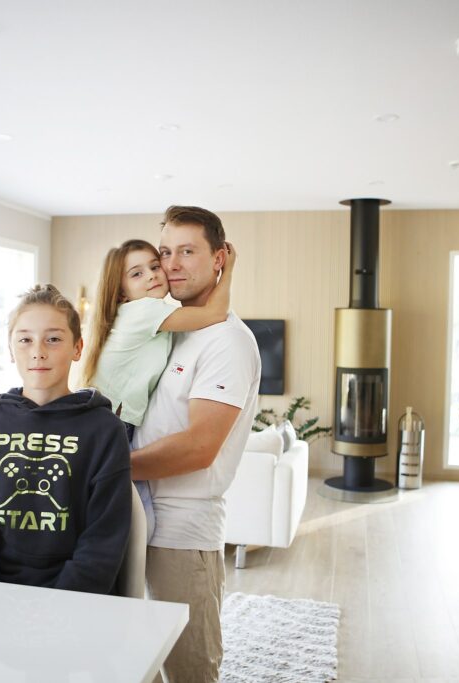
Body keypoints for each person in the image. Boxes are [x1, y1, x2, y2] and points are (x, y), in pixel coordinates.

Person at [131, 206, 261, 682]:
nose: (174, 264)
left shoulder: (228, 342)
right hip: (134, 520)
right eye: (166, 252)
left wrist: (106, 467)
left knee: (189, 670)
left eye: (188, 251)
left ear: (219, 258)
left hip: (182, 535)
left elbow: (199, 448)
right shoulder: (168, 331)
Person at [0, 284, 131, 593]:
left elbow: (104, 539)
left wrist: (60, 605)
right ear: (10, 349)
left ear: (77, 348)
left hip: (75, 599)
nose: (38, 351)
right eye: (25, 340)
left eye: (53, 339)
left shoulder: (105, 430)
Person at [82, 238, 236, 539]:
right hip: (109, 423)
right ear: (122, 292)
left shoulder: (154, 316)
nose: (152, 275)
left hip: (107, 421)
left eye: (154, 266)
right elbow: (214, 315)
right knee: (136, 522)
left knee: (126, 517)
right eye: (137, 274)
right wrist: (227, 271)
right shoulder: (145, 311)